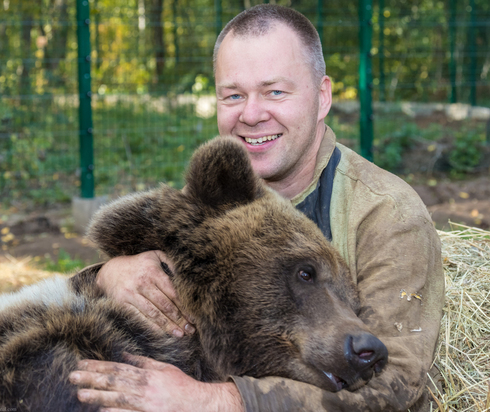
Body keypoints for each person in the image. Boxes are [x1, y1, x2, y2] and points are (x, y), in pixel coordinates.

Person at [68, 5, 445, 411]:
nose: (251, 114)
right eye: (233, 95)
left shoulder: (386, 213)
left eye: (274, 92)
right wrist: (107, 276)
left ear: (322, 98)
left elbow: (394, 387)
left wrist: (213, 402)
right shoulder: (224, 204)